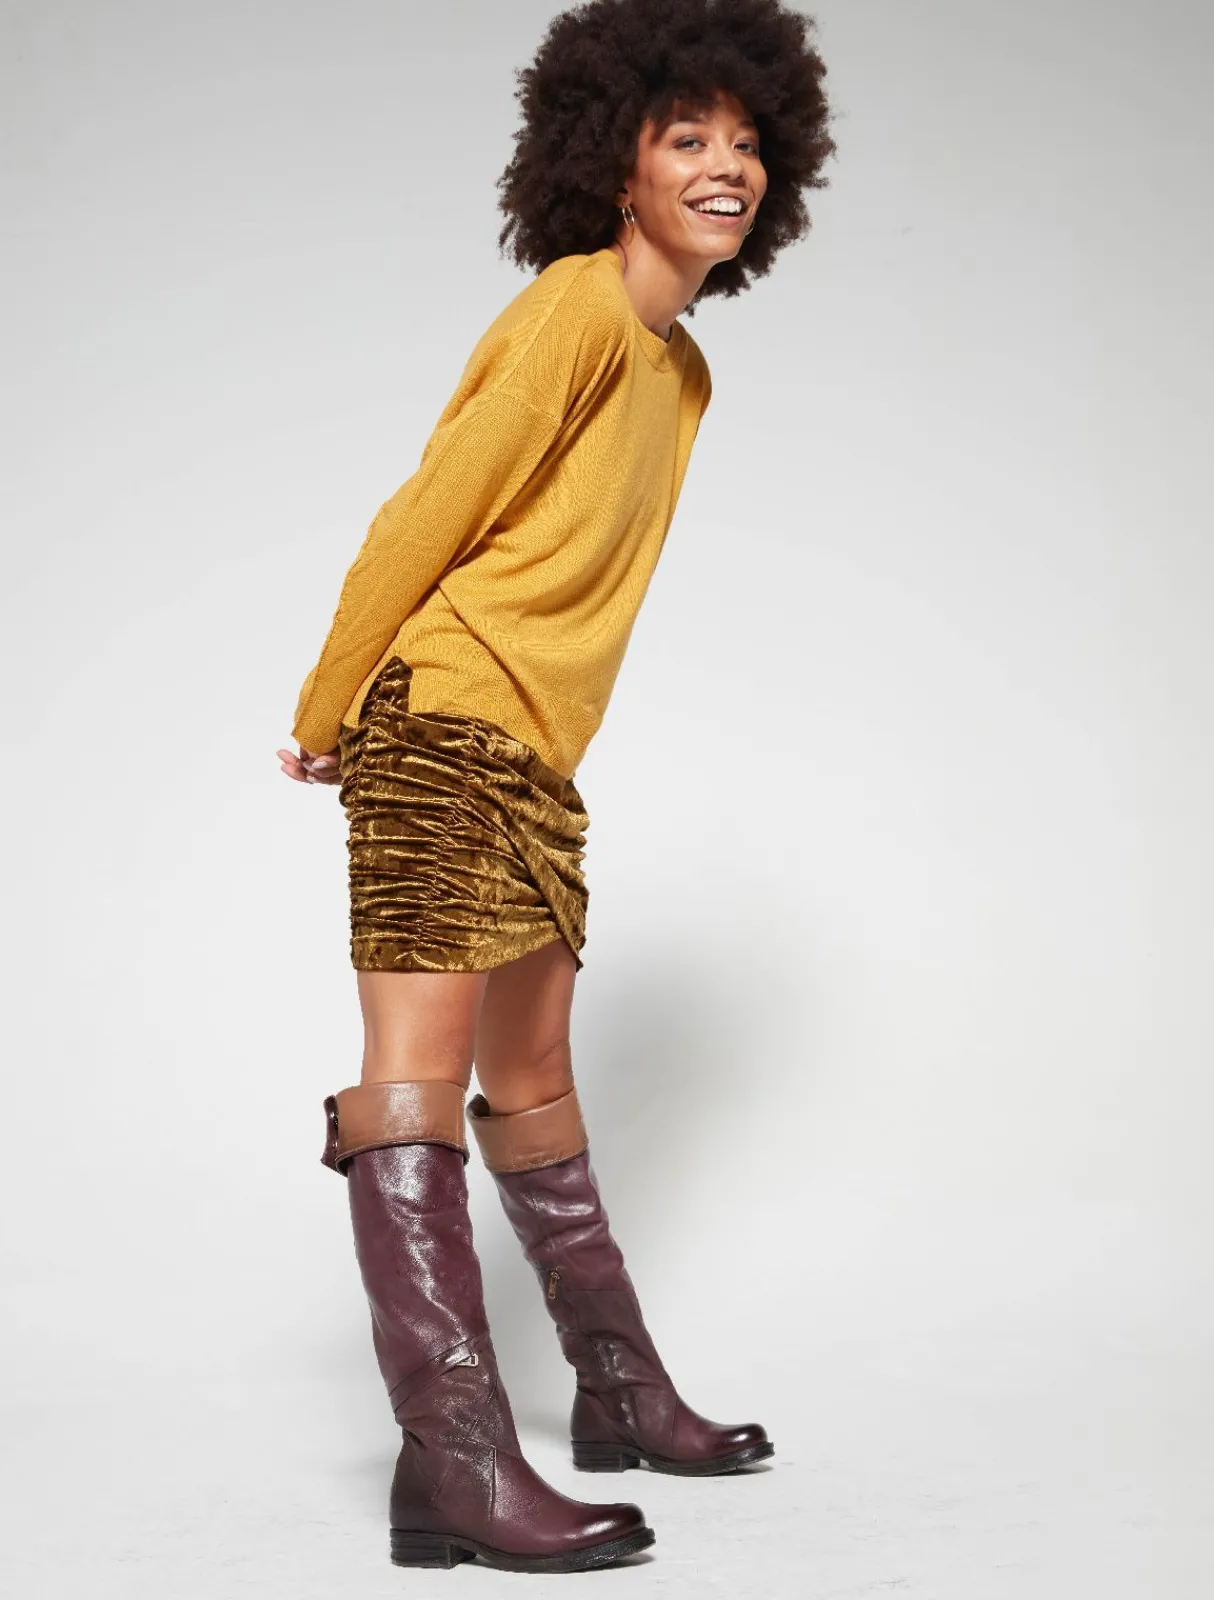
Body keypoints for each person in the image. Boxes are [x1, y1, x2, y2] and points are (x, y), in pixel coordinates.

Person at [276, 0, 837, 1574]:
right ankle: (455, 1462)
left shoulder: (681, 372)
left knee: (531, 1076)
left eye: (746, 141)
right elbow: (427, 515)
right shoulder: (573, 314)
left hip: (530, 756)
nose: (725, 165)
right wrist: (328, 707)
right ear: (615, 164)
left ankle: (618, 1394)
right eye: (686, 136)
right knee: (412, 1077)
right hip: (441, 724)